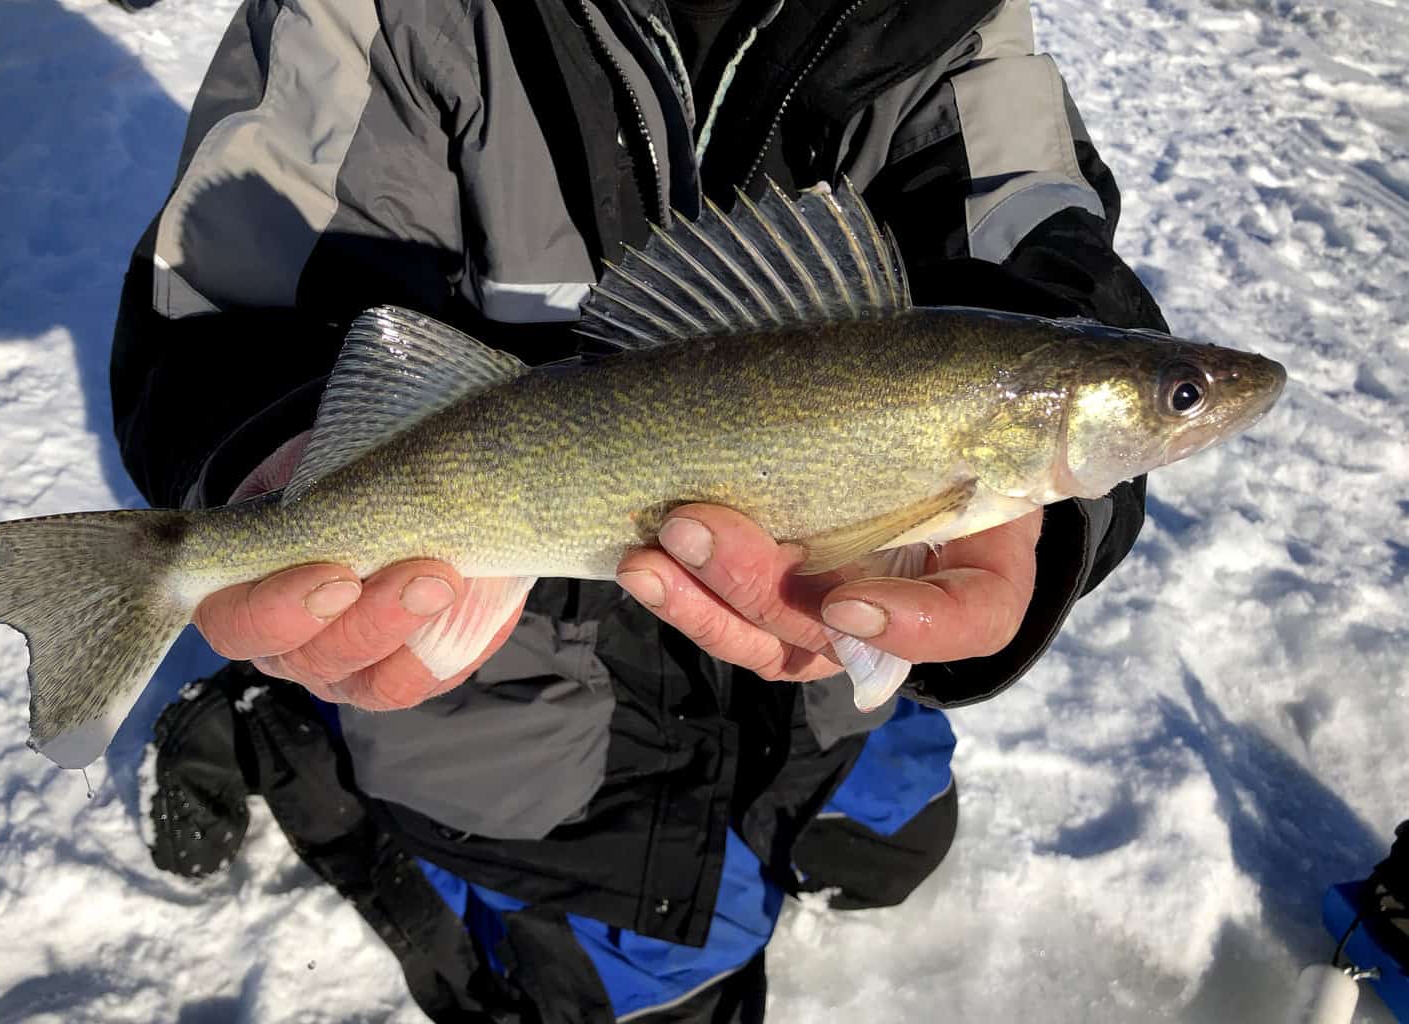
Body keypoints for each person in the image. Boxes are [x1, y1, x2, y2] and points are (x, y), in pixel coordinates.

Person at [114, 0, 1168, 1018]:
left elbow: (1047, 250)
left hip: (818, 697)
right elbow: (229, 296)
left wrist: (1048, 538)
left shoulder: (962, 22)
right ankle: (284, 733)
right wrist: (268, 438)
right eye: (1179, 401)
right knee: (642, 984)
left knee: (892, 850)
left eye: (1178, 396)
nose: (1188, 412)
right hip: (520, 703)